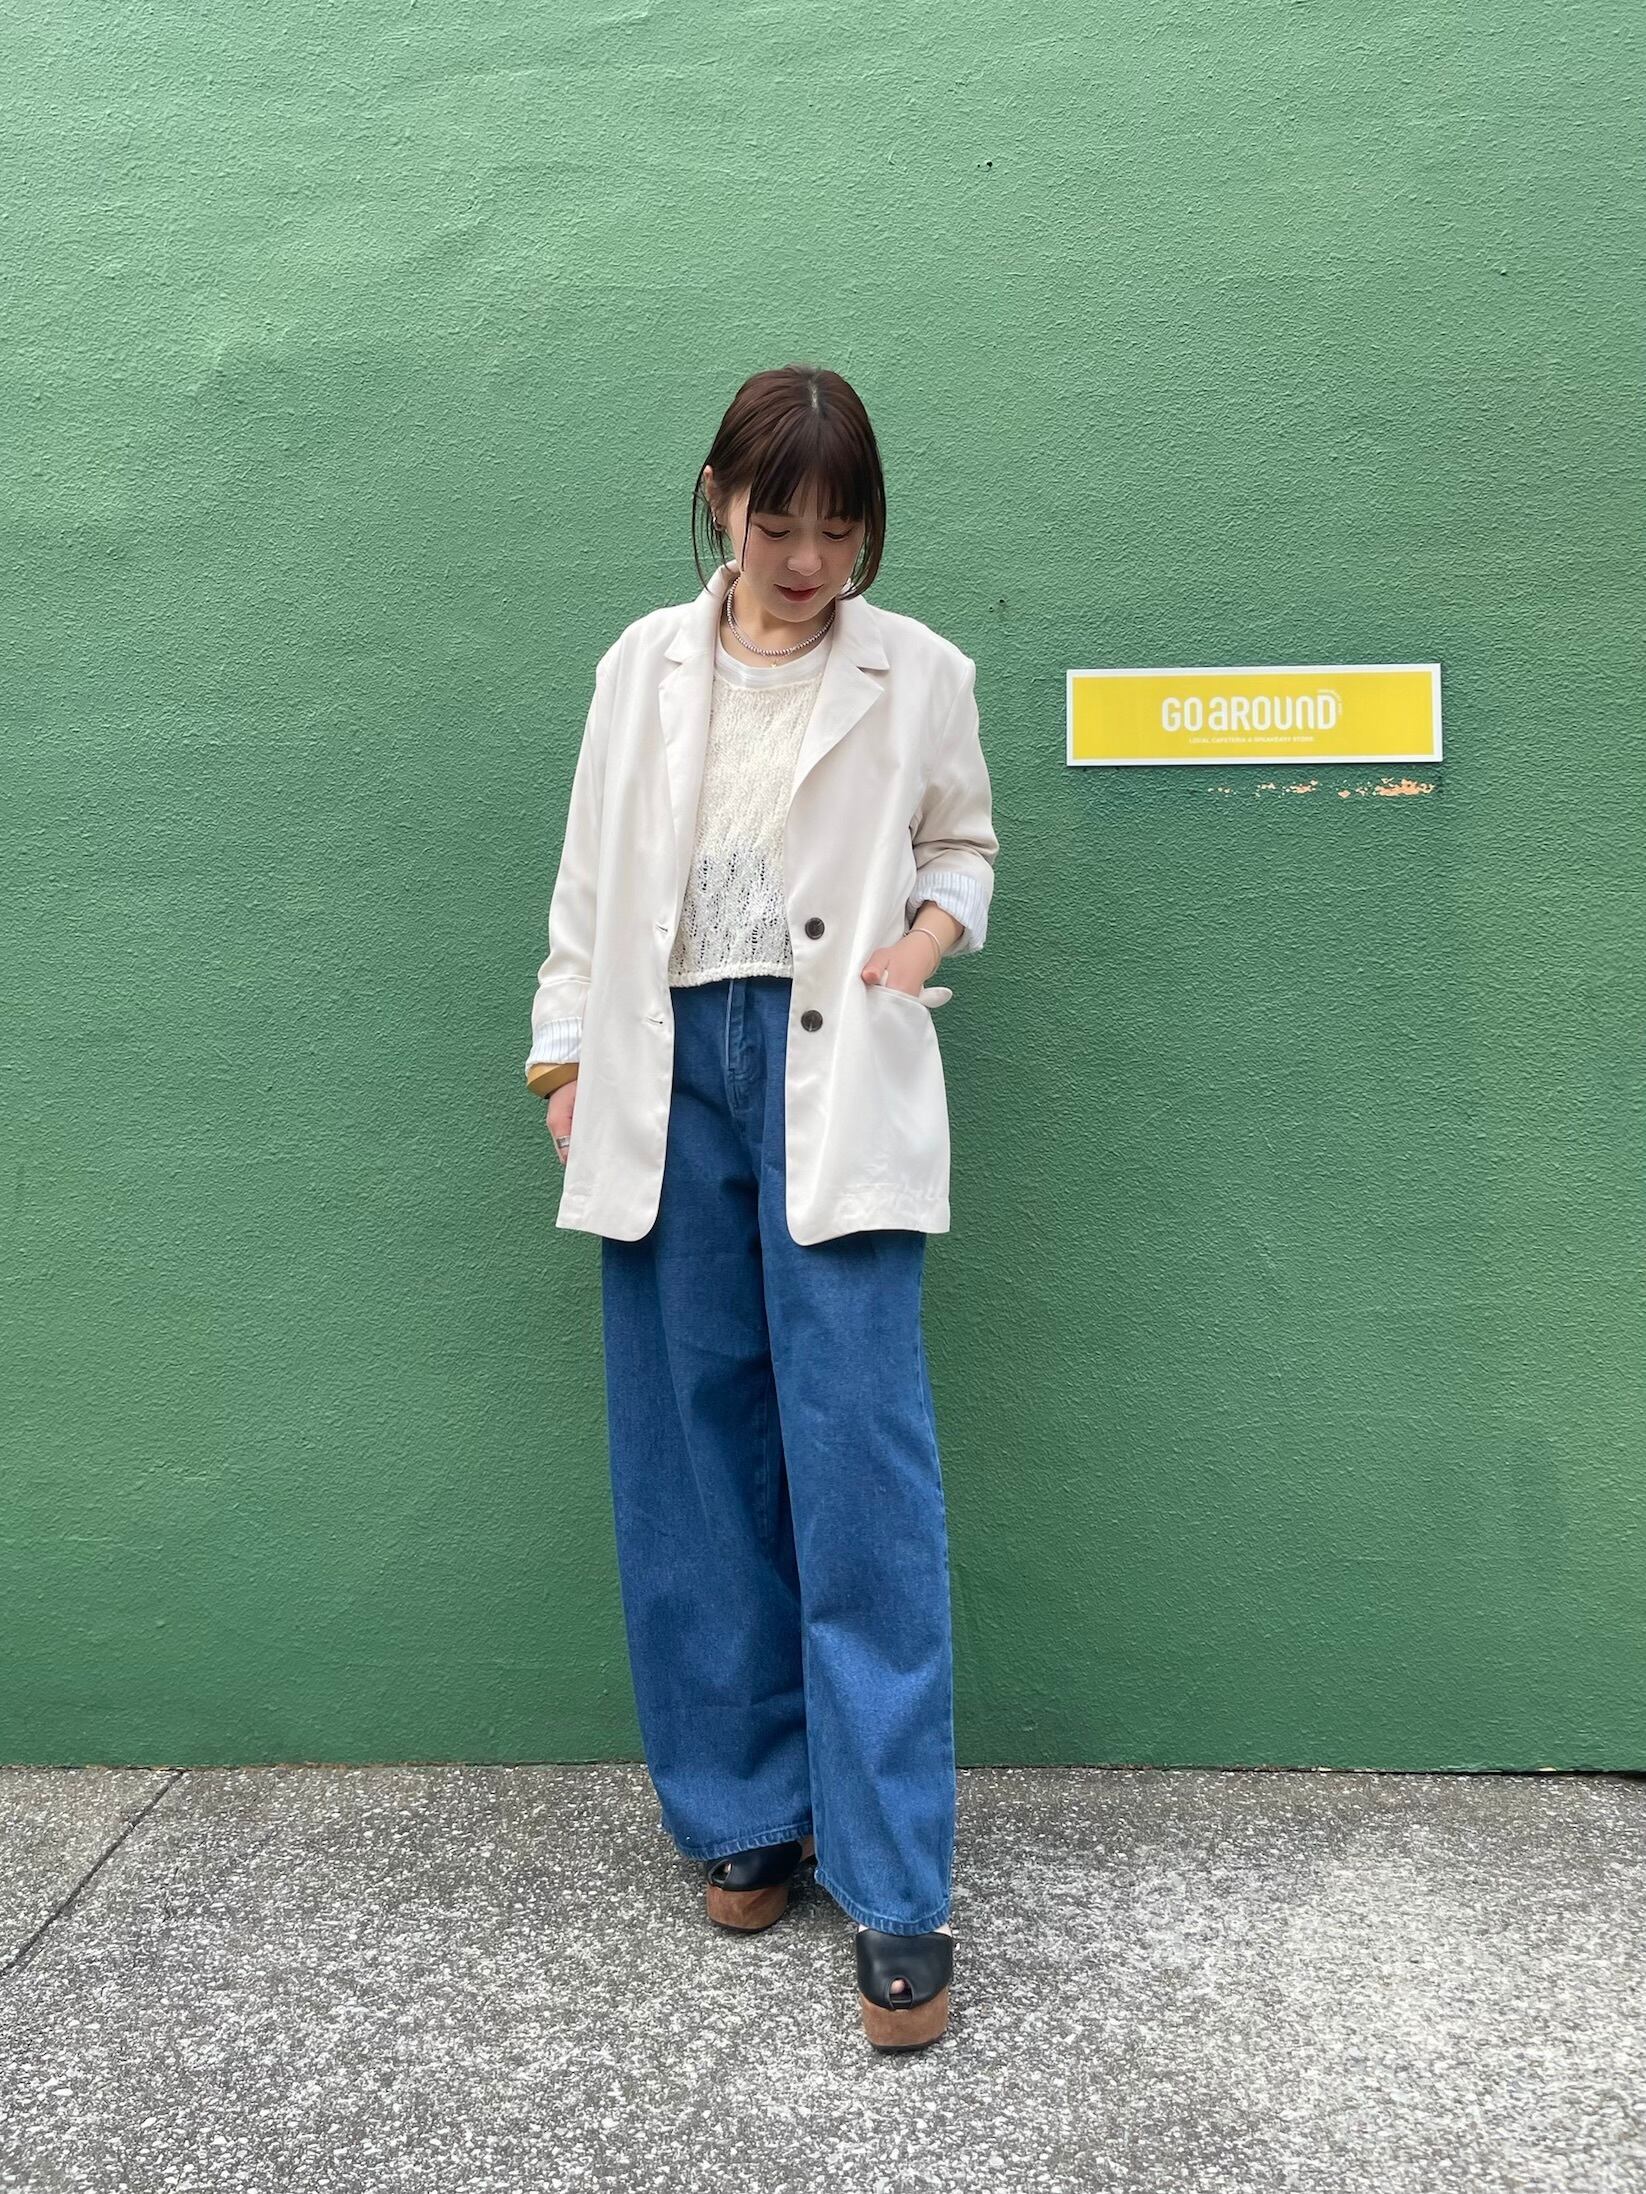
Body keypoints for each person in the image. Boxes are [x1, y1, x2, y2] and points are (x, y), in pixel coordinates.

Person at [524, 364, 998, 2051]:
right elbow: (590, 881)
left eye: (838, 526)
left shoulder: (918, 672)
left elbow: (962, 849)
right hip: (666, 1072)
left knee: (859, 1467)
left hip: (831, 1064)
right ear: (718, 497)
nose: (805, 557)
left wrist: (915, 951)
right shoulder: (638, 667)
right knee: (692, 1455)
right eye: (775, 517)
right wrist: (563, 1061)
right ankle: (741, 1810)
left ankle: (894, 1880)